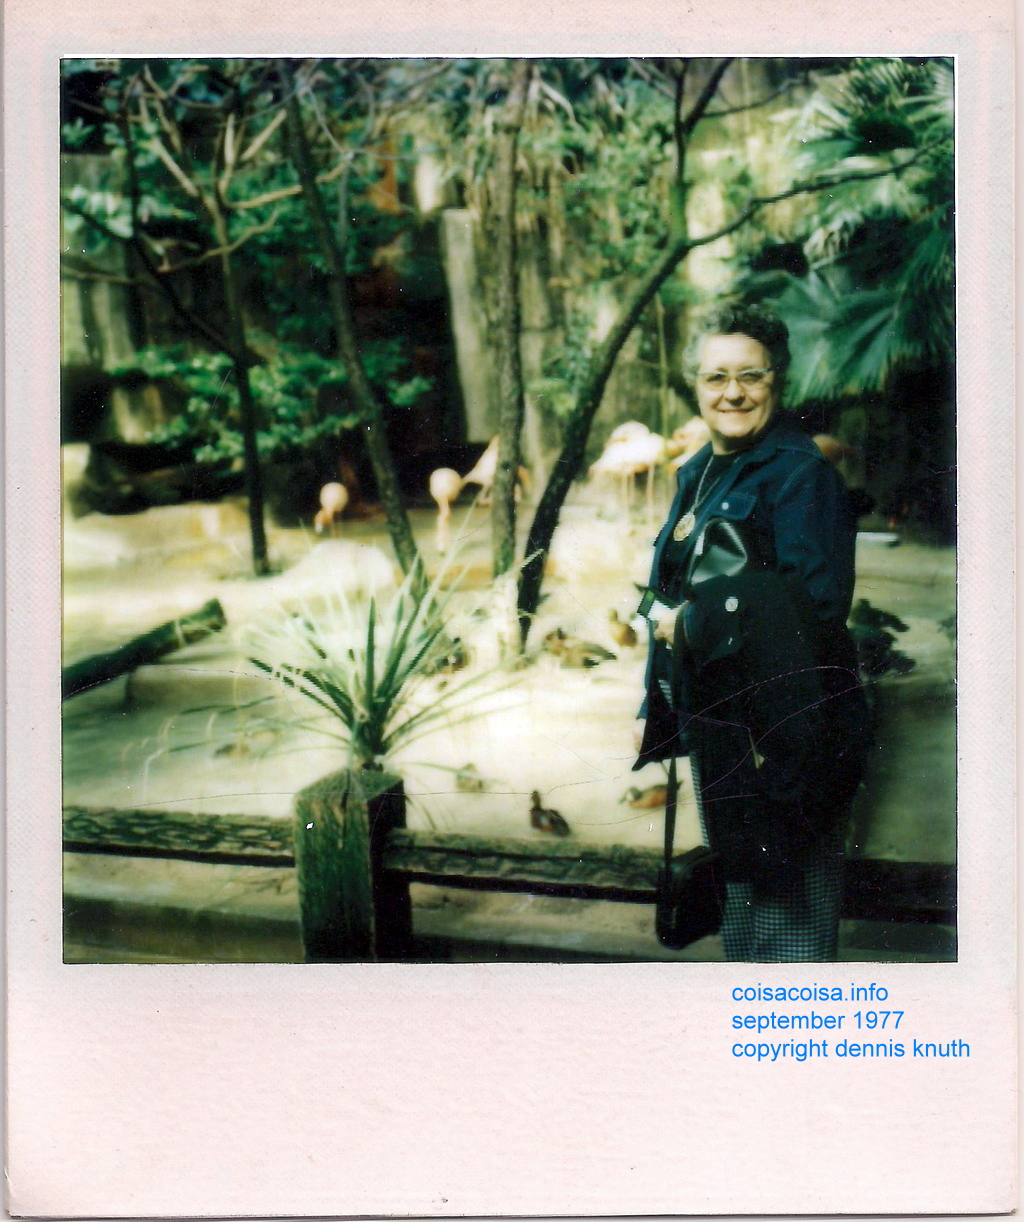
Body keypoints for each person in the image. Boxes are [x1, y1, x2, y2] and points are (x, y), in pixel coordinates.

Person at [635, 304, 870, 962]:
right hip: (724, 728)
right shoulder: (697, 473)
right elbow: (675, 588)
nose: (731, 392)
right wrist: (654, 697)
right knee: (747, 918)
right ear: (694, 386)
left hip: (790, 735)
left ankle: (789, 1057)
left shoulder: (800, 474)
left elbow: (817, 610)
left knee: (785, 929)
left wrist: (693, 623)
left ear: (778, 381)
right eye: (715, 378)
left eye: (749, 375)